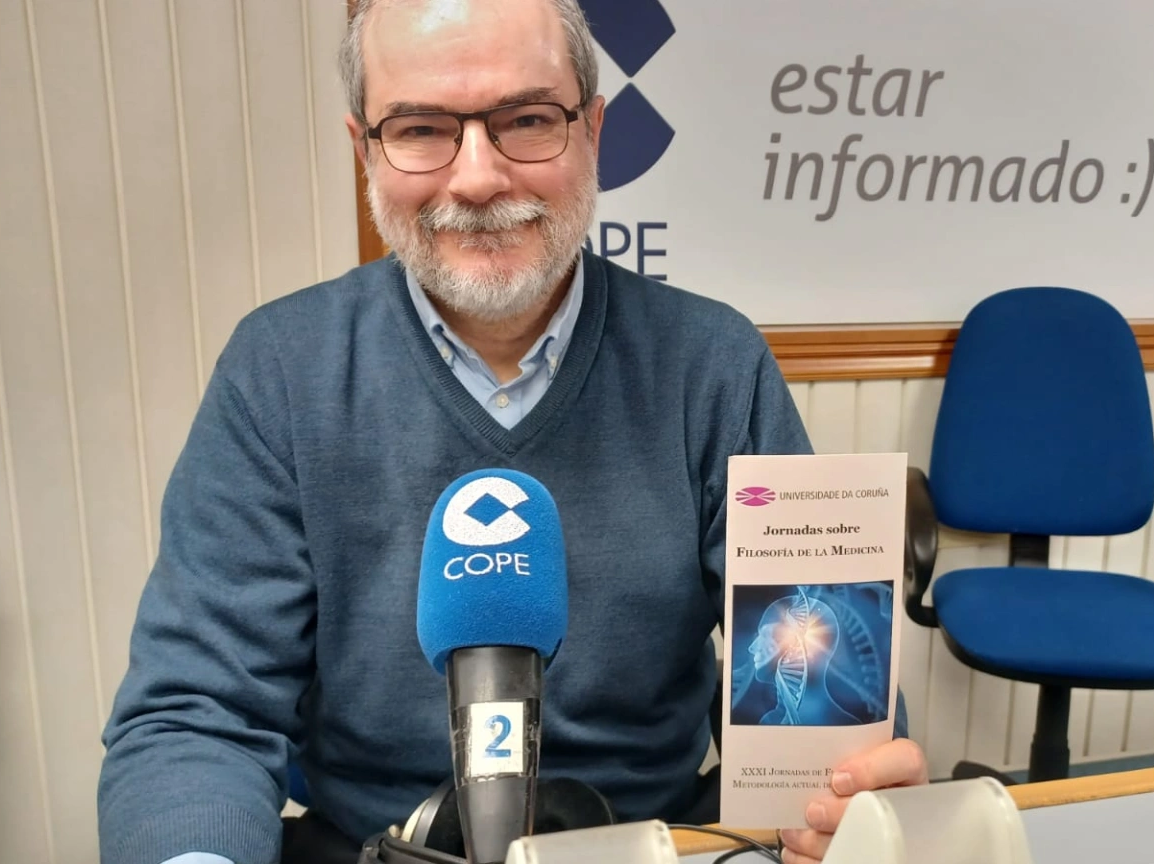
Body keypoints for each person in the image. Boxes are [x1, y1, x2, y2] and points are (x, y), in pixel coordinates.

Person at [95, 1, 928, 863]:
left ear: (592, 131)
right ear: (365, 150)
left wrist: (836, 802)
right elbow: (197, 714)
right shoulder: (278, 369)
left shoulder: (714, 364)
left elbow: (818, 690)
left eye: (527, 119)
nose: (478, 178)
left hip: (648, 846)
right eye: (421, 129)